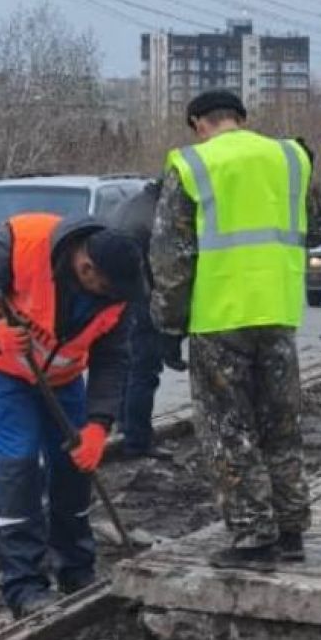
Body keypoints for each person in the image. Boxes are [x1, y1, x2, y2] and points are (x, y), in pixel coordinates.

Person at [151, 88, 321, 568]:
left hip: (219, 315)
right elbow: (318, 230)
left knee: (230, 430)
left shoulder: (191, 164)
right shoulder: (290, 157)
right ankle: (292, 531)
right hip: (278, 311)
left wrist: (168, 323)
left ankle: (254, 538)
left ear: (197, 123)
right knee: (281, 425)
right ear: (242, 119)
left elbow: (171, 256)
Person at [0, 213, 141, 617]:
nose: (110, 298)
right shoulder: (23, 241)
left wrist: (98, 426)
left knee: (73, 463)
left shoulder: (120, 291)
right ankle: (25, 586)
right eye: (103, 288)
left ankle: (76, 568)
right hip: (3, 368)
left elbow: (113, 360)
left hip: (63, 377)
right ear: (86, 268)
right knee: (18, 462)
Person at [109, 177, 178, 459]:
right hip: (143, 298)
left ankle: (123, 427)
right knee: (145, 371)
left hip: (119, 295)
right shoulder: (160, 215)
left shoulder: (130, 204)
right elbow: (168, 268)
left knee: (126, 366)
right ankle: (138, 440)